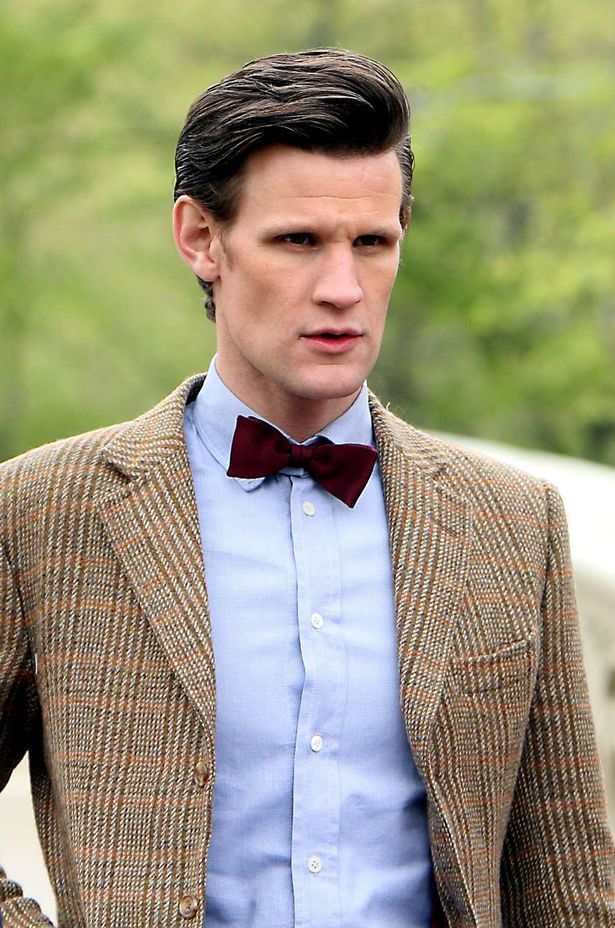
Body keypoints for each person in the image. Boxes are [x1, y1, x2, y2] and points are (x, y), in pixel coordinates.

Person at [0, 48, 613, 928]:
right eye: (298, 241)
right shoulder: (41, 513)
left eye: (372, 243)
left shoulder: (512, 523)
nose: (341, 289)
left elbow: (565, 879)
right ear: (200, 238)